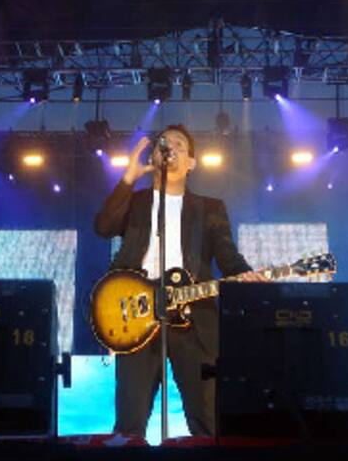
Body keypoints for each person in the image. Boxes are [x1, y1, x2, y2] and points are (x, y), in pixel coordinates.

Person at [94, 124, 264, 437]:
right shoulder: (136, 201)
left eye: (179, 145)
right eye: (164, 143)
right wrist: (129, 178)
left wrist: (246, 274)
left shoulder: (210, 208)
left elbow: (228, 257)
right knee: (130, 422)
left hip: (194, 317)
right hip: (138, 316)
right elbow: (103, 227)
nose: (169, 147)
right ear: (154, 157)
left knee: (207, 420)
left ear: (191, 163)